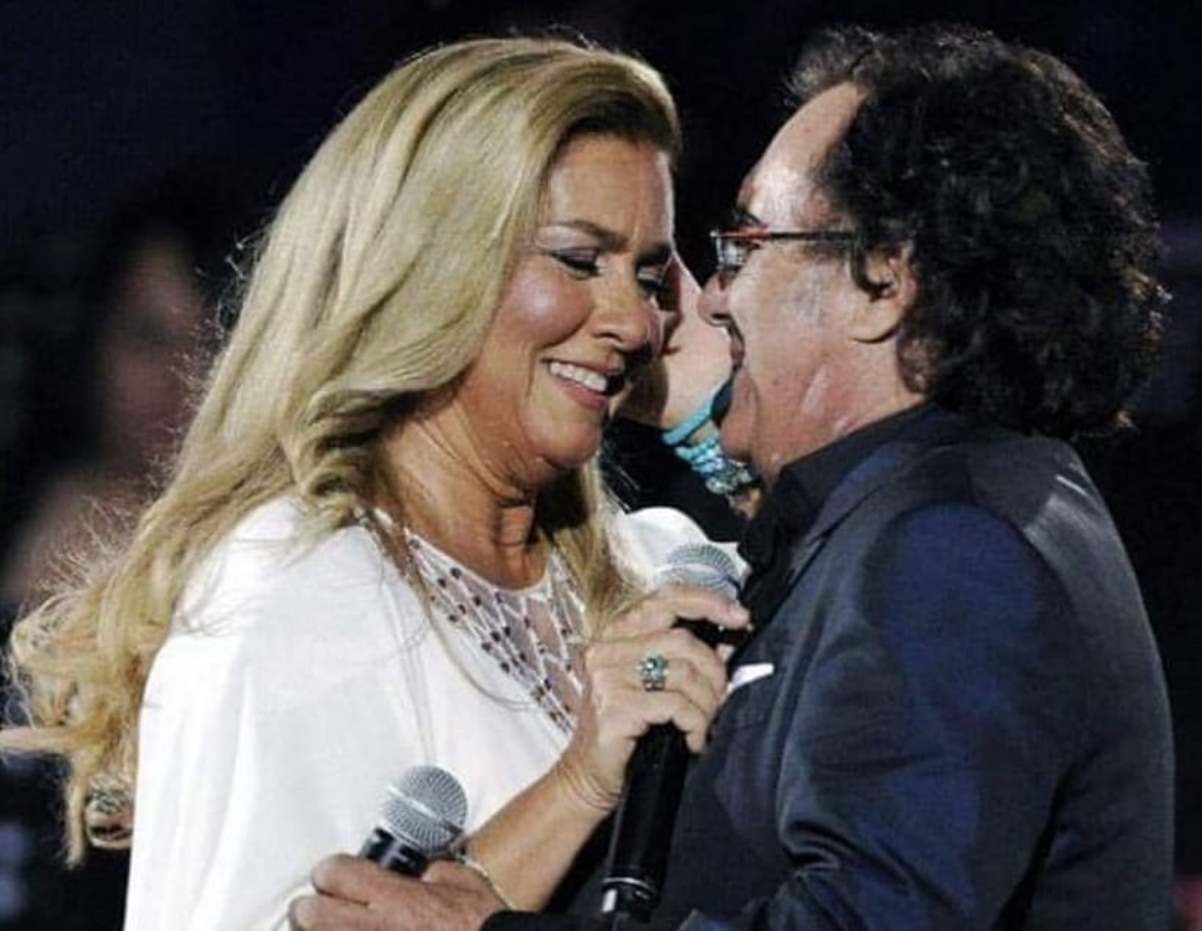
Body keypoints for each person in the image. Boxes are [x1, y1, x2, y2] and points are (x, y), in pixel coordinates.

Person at [289, 23, 1174, 931]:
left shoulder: (948, 554)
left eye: (746, 243)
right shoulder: (938, 512)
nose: (707, 299)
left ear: (882, 280)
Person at [0, 37, 752, 931]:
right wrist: (577, 784)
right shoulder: (296, 595)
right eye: (578, 261)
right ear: (433, 265)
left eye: (651, 275)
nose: (635, 321)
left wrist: (715, 410)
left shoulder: (654, 571)